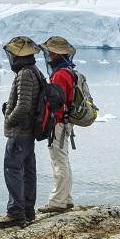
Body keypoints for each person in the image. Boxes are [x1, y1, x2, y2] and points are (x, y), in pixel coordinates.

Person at [0, 36, 42, 228]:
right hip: (29, 131)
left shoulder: (24, 74)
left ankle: (15, 213)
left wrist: (8, 118)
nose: (11, 56)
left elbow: (23, 106)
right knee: (28, 170)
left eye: (13, 53)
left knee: (13, 169)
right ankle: (28, 211)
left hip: (20, 132)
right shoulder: (34, 71)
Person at [37, 36, 76, 213]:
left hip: (59, 123)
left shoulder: (60, 74)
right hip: (66, 122)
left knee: (58, 161)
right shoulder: (69, 71)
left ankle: (57, 202)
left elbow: (56, 103)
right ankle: (66, 198)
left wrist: (50, 120)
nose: (49, 54)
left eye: (51, 51)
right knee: (63, 160)